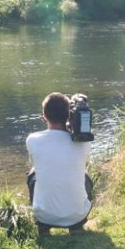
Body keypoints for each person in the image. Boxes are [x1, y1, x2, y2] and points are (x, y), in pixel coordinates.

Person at [26, 92, 93, 235]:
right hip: (77, 216)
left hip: (43, 216)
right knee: (84, 174)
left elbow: (36, 163)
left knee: (33, 173)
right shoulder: (82, 141)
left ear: (44, 115)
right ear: (69, 115)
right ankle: (76, 227)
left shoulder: (32, 140)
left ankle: (43, 227)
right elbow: (84, 162)